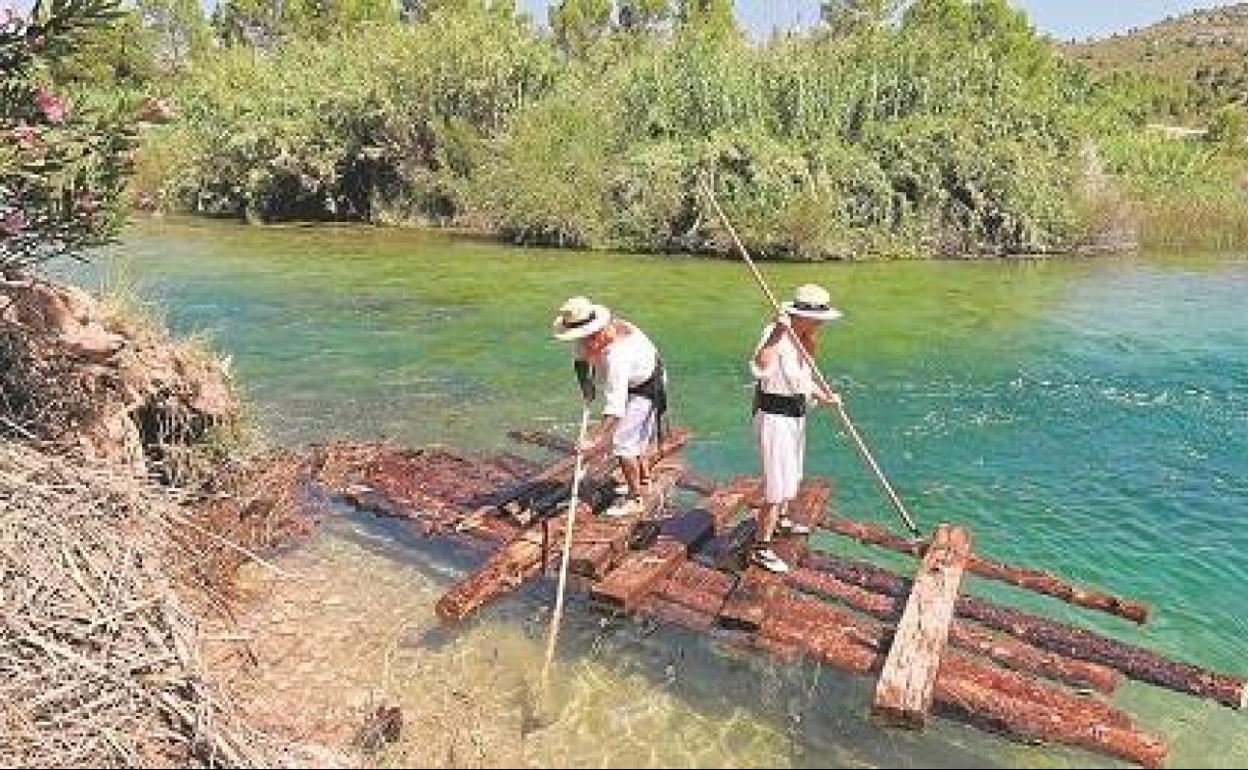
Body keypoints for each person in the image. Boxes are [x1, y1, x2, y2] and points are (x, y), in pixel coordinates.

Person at [749, 283, 842, 573]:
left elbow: (802, 381)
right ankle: (760, 548)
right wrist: (778, 330)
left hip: (795, 415)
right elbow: (760, 367)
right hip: (774, 417)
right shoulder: (776, 335)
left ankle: (782, 520)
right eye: (816, 320)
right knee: (776, 484)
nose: (820, 325)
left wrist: (824, 396)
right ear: (799, 315)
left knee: (793, 473)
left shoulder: (805, 339)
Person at [552, 296, 666, 517]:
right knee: (634, 439)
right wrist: (586, 385)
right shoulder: (587, 337)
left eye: (588, 339)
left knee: (623, 443)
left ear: (598, 332)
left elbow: (615, 408)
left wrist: (593, 439)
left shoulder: (617, 356)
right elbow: (580, 362)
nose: (583, 343)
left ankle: (635, 498)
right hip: (635, 382)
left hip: (646, 387)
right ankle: (643, 480)